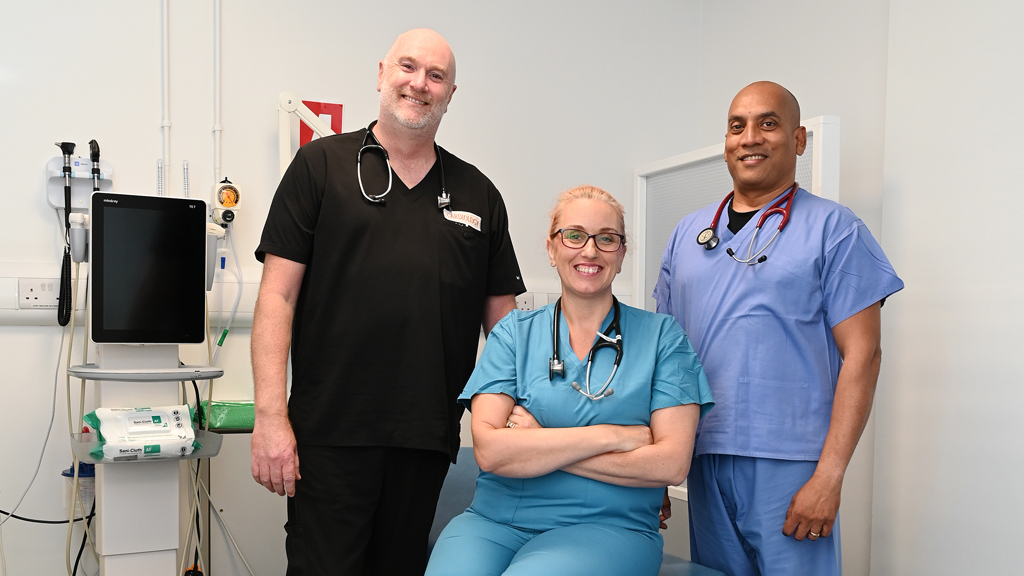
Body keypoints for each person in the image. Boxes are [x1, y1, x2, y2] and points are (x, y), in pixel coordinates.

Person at [250, 28, 525, 575]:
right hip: (329, 434)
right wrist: (270, 417)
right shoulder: (320, 167)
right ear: (382, 74)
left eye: (436, 75)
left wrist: (521, 414)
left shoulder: (478, 195)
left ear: (450, 94)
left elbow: (506, 331)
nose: (419, 83)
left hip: (425, 437)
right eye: (408, 67)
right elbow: (277, 297)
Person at [653, 81, 905, 576]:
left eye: (768, 123)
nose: (750, 138)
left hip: (792, 464)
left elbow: (864, 355)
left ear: (798, 140)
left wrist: (829, 477)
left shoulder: (835, 229)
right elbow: (665, 358)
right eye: (737, 126)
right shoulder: (688, 233)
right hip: (703, 454)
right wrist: (658, 463)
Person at [425, 186, 714, 576]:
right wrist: (615, 436)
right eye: (574, 235)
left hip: (610, 527)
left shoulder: (663, 338)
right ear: (551, 248)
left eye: (606, 238)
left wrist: (537, 439)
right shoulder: (513, 333)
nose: (590, 251)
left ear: (622, 253)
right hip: (493, 521)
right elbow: (491, 451)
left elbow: (670, 464)